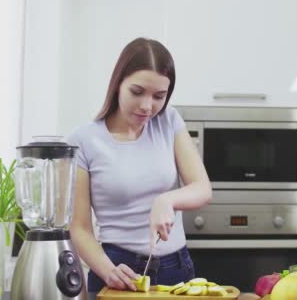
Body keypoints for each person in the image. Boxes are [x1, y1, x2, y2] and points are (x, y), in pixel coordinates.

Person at [66, 37, 212, 292]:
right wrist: (107, 270)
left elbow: (202, 188)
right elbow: (79, 228)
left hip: (177, 269)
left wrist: (166, 200)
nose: (147, 106)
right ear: (117, 84)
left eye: (159, 96)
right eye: (137, 92)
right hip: (117, 269)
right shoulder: (83, 141)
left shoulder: (169, 120)